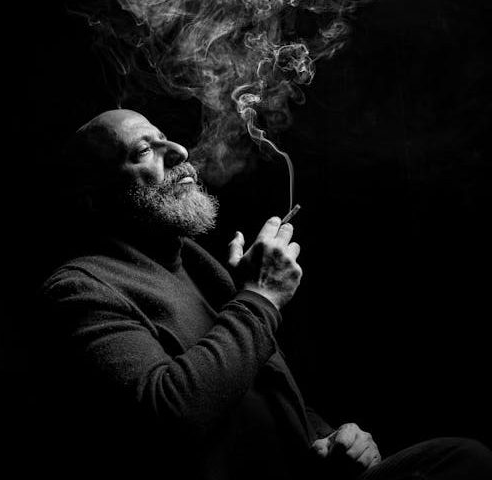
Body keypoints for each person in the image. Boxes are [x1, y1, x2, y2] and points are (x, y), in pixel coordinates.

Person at [38, 109, 492, 480]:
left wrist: (331, 437)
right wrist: (259, 299)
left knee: (459, 458)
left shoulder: (196, 262)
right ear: (93, 199)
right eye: (143, 150)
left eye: (165, 139)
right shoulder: (81, 288)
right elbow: (169, 414)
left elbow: (261, 394)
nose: (178, 151)